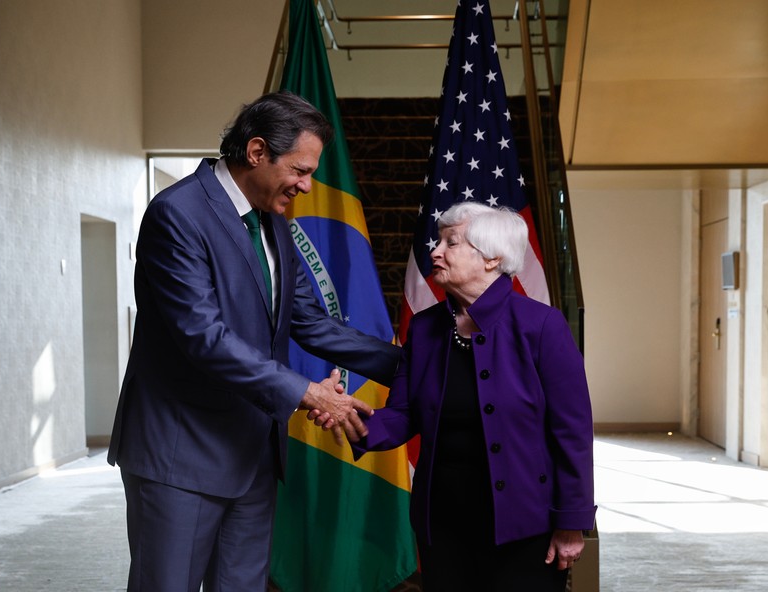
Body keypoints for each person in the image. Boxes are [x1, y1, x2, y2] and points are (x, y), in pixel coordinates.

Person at [107, 91, 400, 592]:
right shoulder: (177, 214)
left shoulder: (274, 222)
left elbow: (308, 321)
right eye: (301, 170)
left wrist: (417, 366)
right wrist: (306, 392)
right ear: (258, 152)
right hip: (180, 455)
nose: (307, 186)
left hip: (253, 454)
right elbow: (204, 338)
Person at [344, 202, 595, 591]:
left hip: (526, 525)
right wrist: (351, 416)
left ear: (492, 258)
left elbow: (572, 432)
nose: (435, 251)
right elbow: (404, 414)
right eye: (439, 241)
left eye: (451, 242)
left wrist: (571, 522)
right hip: (443, 524)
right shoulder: (426, 328)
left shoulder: (542, 326)